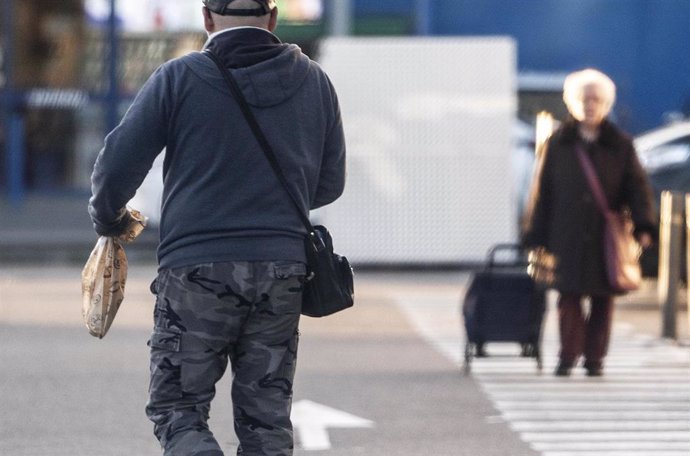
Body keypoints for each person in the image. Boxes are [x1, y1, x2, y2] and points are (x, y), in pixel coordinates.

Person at [87, 1, 346, 454]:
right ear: (272, 19)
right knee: (267, 419)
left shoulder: (179, 78)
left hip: (195, 272)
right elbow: (329, 183)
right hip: (282, 269)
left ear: (207, 19)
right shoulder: (314, 81)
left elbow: (117, 164)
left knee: (178, 408)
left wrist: (109, 219)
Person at [521, 68, 655, 377]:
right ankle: (568, 355)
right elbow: (542, 192)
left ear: (606, 103)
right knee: (567, 297)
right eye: (583, 99)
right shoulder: (558, 143)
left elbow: (636, 187)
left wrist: (644, 225)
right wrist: (535, 234)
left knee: (602, 300)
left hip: (604, 237)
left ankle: (595, 358)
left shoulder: (620, 144)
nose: (590, 105)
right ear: (571, 103)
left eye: (596, 99)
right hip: (564, 234)